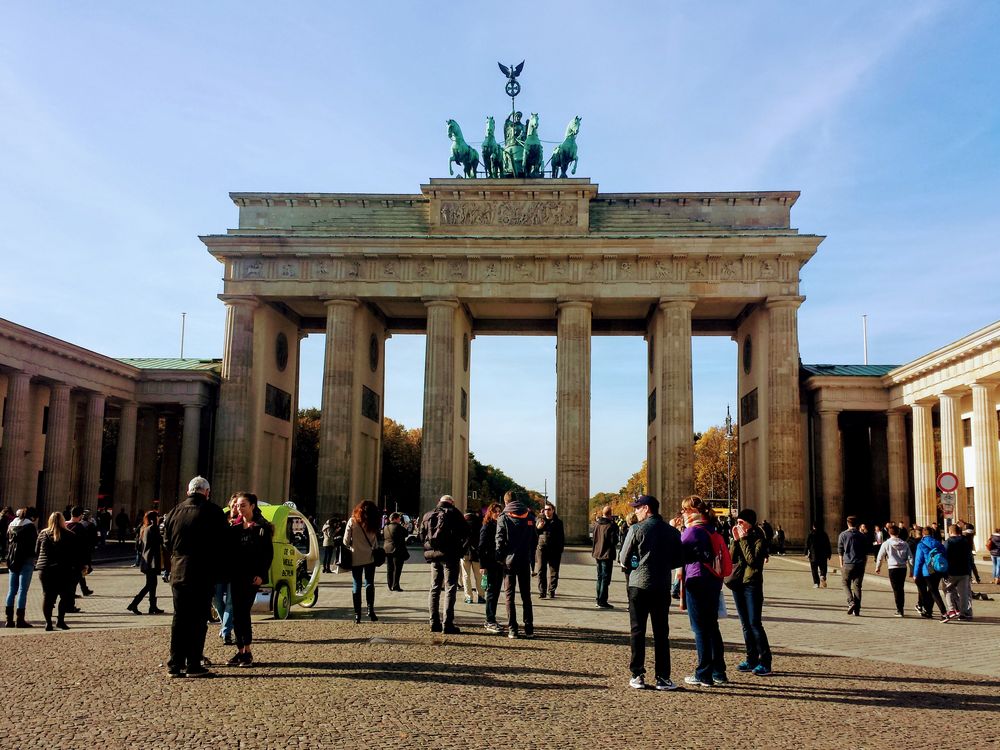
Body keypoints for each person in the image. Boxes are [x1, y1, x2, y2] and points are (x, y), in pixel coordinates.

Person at [162, 476, 228, 678]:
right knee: (198, 619)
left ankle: (175, 664)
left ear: (188, 491)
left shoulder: (174, 512)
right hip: (203, 571)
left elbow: (166, 542)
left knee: (179, 618)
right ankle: (193, 664)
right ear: (207, 492)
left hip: (179, 571)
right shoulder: (214, 512)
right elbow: (222, 543)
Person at [618, 495, 682, 690]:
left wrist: (635, 565)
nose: (635, 511)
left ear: (646, 509)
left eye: (637, 508)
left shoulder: (636, 529)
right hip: (661, 586)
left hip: (638, 585)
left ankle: (637, 674)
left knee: (637, 630)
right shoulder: (672, 531)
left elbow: (623, 557)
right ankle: (663, 677)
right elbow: (679, 559)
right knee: (661, 632)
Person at [679, 496, 727, 687]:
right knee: (712, 626)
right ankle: (719, 672)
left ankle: (703, 674)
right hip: (714, 580)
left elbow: (676, 552)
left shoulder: (693, 531)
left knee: (699, 629)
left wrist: (677, 531)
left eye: (684, 510)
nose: (682, 514)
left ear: (692, 512)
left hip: (697, 580)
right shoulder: (711, 528)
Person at [226, 492, 273, 667]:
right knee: (237, 615)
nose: (239, 508)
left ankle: (247, 651)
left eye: (243, 505)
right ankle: (240, 651)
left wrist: (261, 574)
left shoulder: (261, 527)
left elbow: (268, 555)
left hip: (252, 577)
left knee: (243, 613)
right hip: (236, 576)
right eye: (237, 505)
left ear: (252, 506)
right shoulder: (234, 528)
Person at [728, 508, 773, 676]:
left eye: (741, 522)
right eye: (737, 522)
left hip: (752, 584)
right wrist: (735, 541)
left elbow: (753, 561)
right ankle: (751, 658)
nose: (738, 525)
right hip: (738, 584)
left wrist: (744, 539)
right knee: (745, 625)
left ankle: (765, 661)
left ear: (749, 523)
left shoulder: (759, 538)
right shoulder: (740, 538)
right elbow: (731, 559)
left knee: (755, 623)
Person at [420, 495, 468, 634]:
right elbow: (466, 533)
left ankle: (433, 622)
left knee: (434, 588)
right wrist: (460, 549)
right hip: (450, 556)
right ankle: (447, 624)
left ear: (439, 502)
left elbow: (422, 536)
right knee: (450, 588)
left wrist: (429, 548)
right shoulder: (455, 513)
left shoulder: (428, 515)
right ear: (452, 503)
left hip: (434, 556)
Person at [496, 491, 537, 639]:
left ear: (506, 503)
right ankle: (529, 628)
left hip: (509, 561)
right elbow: (534, 540)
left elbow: (499, 540)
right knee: (526, 595)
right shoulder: (530, 517)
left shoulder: (503, 517)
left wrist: (500, 558)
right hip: (524, 560)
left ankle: (513, 629)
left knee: (509, 596)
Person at [34, 512, 76, 631]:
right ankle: (60, 621)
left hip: (45, 568)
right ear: (63, 521)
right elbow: (74, 554)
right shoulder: (70, 535)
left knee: (47, 596)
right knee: (65, 596)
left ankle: (48, 623)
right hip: (63, 569)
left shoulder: (43, 533)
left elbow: (36, 551)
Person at [344, 500, 383, 624]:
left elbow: (345, 541)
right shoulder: (373, 522)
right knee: (369, 583)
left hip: (356, 557)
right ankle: (370, 611)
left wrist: (353, 544)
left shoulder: (352, 521)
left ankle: (357, 615)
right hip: (370, 557)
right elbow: (375, 541)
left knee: (356, 585)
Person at [5, 507, 39, 628]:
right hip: (26, 559)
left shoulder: (11, 525)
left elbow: (7, 541)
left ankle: (8, 620)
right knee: (22, 590)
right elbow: (34, 544)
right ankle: (20, 619)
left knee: (11, 590)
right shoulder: (30, 527)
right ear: (32, 517)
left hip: (12, 559)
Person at [128, 510, 165, 615]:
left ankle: (153, 607)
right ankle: (134, 604)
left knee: (152, 585)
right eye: (157, 516)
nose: (158, 518)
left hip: (147, 560)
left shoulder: (144, 528)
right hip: (152, 561)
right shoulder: (153, 528)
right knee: (150, 585)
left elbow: (140, 546)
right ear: (154, 518)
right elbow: (160, 542)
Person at [874, 523, 913, 617]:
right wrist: (912, 570)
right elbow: (910, 557)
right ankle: (901, 608)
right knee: (901, 588)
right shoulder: (905, 544)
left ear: (889, 533)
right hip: (903, 568)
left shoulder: (886, 543)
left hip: (892, 568)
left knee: (896, 589)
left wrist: (878, 567)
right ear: (898, 532)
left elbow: (880, 556)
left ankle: (899, 610)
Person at [478, 502, 504, 634]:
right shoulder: (487, 526)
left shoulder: (500, 525)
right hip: (490, 564)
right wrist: (482, 565)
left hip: (499, 564)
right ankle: (489, 620)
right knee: (491, 593)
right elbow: (481, 547)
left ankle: (492, 618)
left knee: (496, 593)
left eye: (500, 511)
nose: (498, 513)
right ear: (490, 513)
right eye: (495, 511)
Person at [912, 526, 948, 620]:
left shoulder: (921, 544)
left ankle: (944, 613)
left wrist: (915, 574)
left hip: (928, 569)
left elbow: (919, 561)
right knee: (932, 590)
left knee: (934, 592)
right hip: (938, 568)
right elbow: (944, 556)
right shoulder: (939, 543)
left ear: (923, 534)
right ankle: (928, 611)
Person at [837, 515, 870, 616]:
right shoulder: (862, 536)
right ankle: (857, 610)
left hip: (848, 563)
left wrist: (841, 564)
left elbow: (840, 551)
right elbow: (866, 553)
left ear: (847, 523)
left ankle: (851, 602)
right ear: (857, 524)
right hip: (860, 563)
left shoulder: (842, 535)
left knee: (845, 583)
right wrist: (864, 564)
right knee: (857, 586)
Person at [591, 505, 619, 609]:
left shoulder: (596, 524)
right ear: (610, 514)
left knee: (599, 577)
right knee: (605, 579)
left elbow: (593, 538)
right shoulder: (611, 525)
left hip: (597, 553)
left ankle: (598, 599)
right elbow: (614, 541)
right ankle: (603, 601)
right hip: (607, 554)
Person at [943, 523, 972, 621]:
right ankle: (963, 613)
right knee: (963, 593)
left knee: (948, 590)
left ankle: (952, 609)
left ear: (950, 532)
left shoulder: (948, 542)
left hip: (951, 571)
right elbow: (969, 557)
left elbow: (945, 556)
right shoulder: (965, 541)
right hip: (964, 571)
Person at [535, 502, 565, 600]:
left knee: (554, 572)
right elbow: (534, 533)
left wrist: (560, 549)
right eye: (545, 509)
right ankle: (542, 591)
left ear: (553, 510)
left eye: (549, 509)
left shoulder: (558, 522)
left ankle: (551, 590)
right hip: (542, 549)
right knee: (541, 570)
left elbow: (561, 537)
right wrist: (538, 528)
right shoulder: (540, 520)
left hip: (554, 550)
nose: (547, 511)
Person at [65, 506, 94, 600]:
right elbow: (84, 546)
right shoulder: (79, 527)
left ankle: (68, 601)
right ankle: (69, 604)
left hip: (64, 558)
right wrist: (87, 563)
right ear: (80, 515)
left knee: (68, 581)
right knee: (74, 581)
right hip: (76, 559)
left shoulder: (64, 525)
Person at [461, 512, 484, 604]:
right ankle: (481, 596)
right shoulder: (480, 523)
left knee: (466, 575)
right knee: (479, 576)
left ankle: (468, 597)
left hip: (465, 553)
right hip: (476, 554)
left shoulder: (462, 524)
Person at [383, 512, 409, 592]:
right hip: (397, 550)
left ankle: (390, 584)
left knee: (389, 568)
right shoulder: (398, 527)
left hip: (387, 549)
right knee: (397, 569)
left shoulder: (386, 527)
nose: (399, 520)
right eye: (398, 519)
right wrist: (404, 527)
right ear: (395, 518)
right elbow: (406, 534)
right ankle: (396, 585)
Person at [805, 524, 831, 588]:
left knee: (814, 570)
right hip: (823, 555)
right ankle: (822, 575)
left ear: (813, 527)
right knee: (823, 567)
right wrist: (829, 554)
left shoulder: (811, 534)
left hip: (813, 555)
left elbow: (807, 544)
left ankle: (816, 583)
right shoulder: (824, 534)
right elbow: (828, 544)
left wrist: (806, 553)